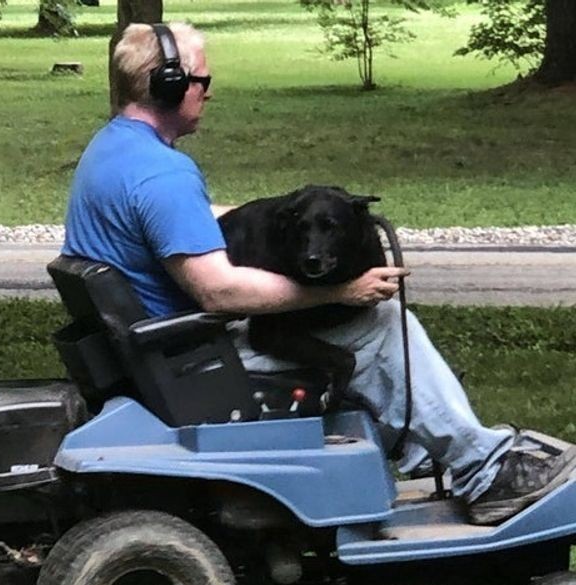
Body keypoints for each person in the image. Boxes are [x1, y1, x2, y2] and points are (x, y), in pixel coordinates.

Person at [61, 21, 576, 525]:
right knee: (383, 327)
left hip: (149, 354)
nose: (208, 94)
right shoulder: (162, 174)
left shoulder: (110, 151)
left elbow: (172, 222)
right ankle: (484, 471)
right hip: (194, 359)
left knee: (358, 329)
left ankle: (423, 457)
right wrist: (345, 290)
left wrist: (270, 213)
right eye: (203, 81)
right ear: (168, 84)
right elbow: (218, 290)